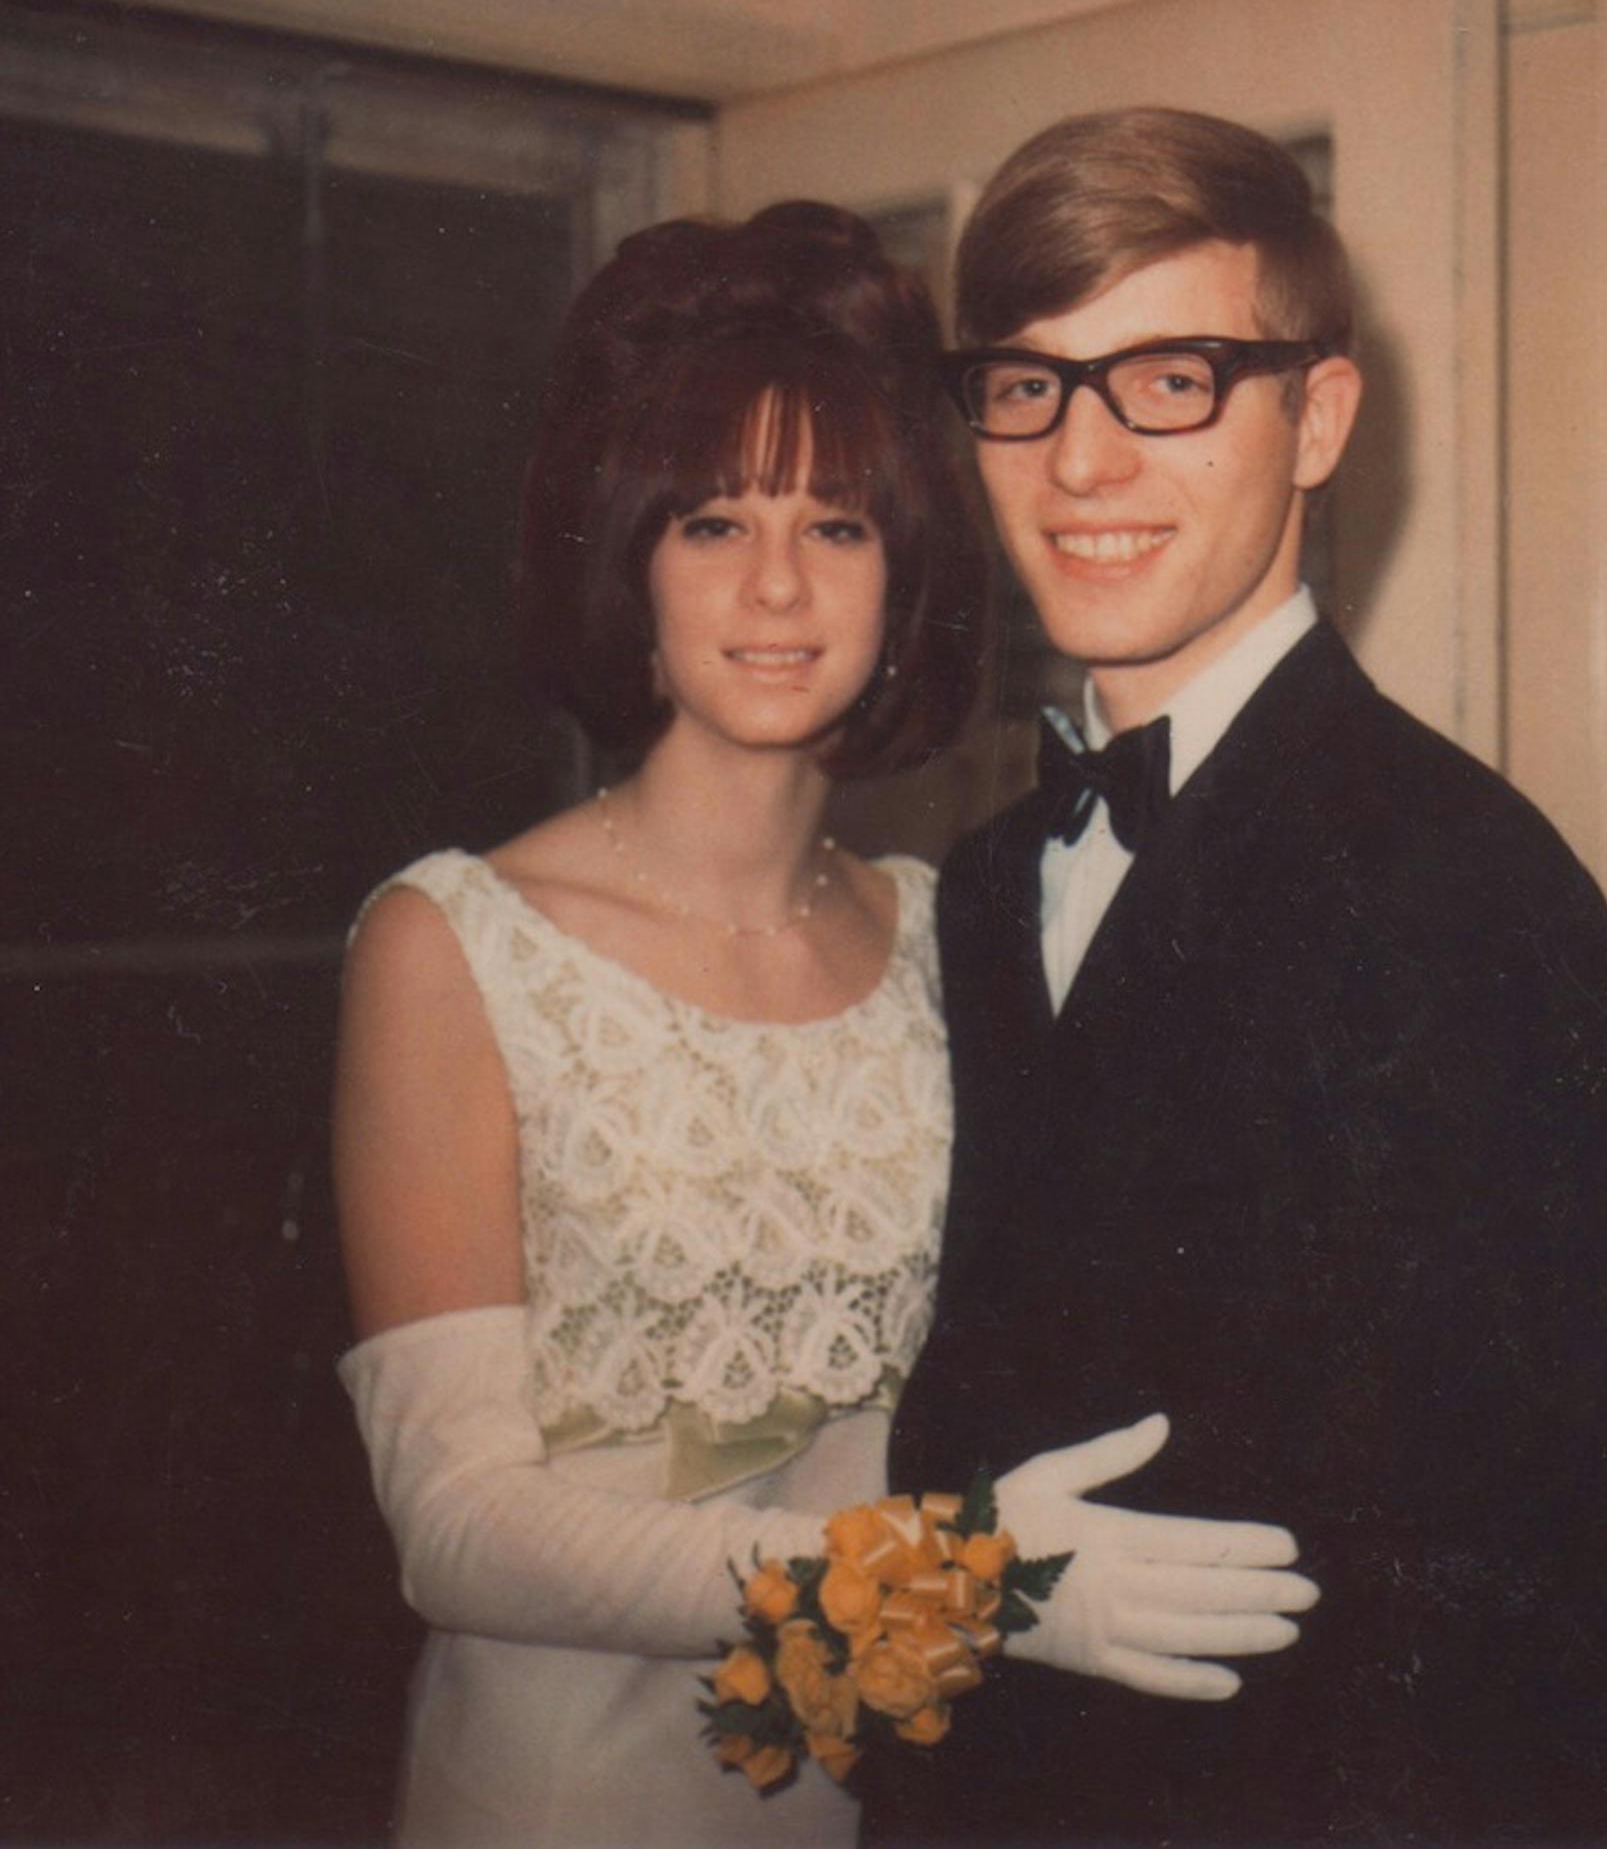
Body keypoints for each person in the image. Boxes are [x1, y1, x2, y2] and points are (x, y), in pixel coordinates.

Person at [332, 202, 1317, 1848]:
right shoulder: (455, 945)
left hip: (889, 1790)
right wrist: (967, 1581)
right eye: (713, 524)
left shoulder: (958, 928)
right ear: (624, 555)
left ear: (907, 572)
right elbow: (455, 1527)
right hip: (568, 1795)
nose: (778, 586)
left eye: (840, 528)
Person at [873, 110, 1607, 1846]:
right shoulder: (983, 884)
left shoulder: (1475, 892)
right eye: (1028, 386)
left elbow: (1565, 1611)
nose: (1083, 463)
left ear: (1315, 418)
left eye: (1171, 378)